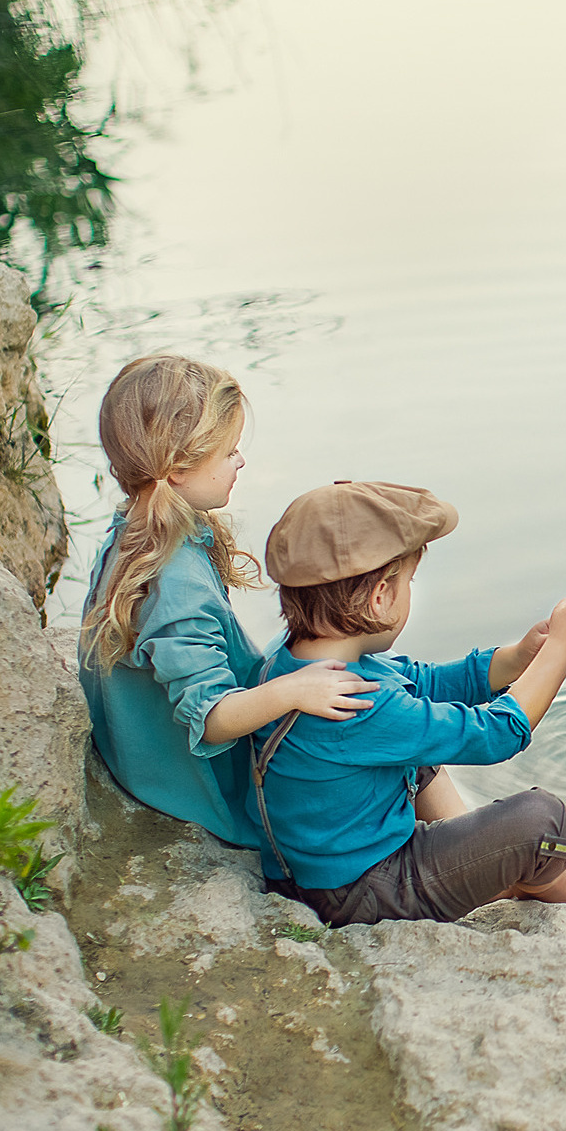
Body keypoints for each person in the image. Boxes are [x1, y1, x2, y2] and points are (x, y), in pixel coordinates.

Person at [244, 479, 566, 925]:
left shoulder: (294, 665)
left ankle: (478, 862)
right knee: (542, 820)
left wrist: (518, 658)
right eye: (408, 581)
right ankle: (535, 878)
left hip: (312, 870)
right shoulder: (357, 703)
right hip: (360, 892)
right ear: (380, 597)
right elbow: (498, 734)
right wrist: (564, 645)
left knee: (418, 737)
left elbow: (424, 682)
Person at [78, 355, 379, 878]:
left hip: (142, 759)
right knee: (381, 721)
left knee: (360, 688)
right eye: (229, 451)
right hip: (204, 789)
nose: (240, 460)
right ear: (178, 468)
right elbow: (212, 719)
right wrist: (293, 690)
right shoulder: (175, 583)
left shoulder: (136, 532)